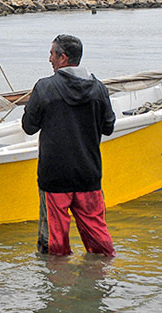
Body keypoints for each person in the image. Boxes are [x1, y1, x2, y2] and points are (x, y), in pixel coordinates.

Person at [20, 34, 115, 257]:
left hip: (55, 177)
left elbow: (29, 127)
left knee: (55, 244)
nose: (49, 59)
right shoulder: (99, 89)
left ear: (63, 57)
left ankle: (58, 287)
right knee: (100, 243)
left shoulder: (45, 88)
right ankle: (99, 282)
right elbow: (108, 127)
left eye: (52, 54)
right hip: (88, 174)